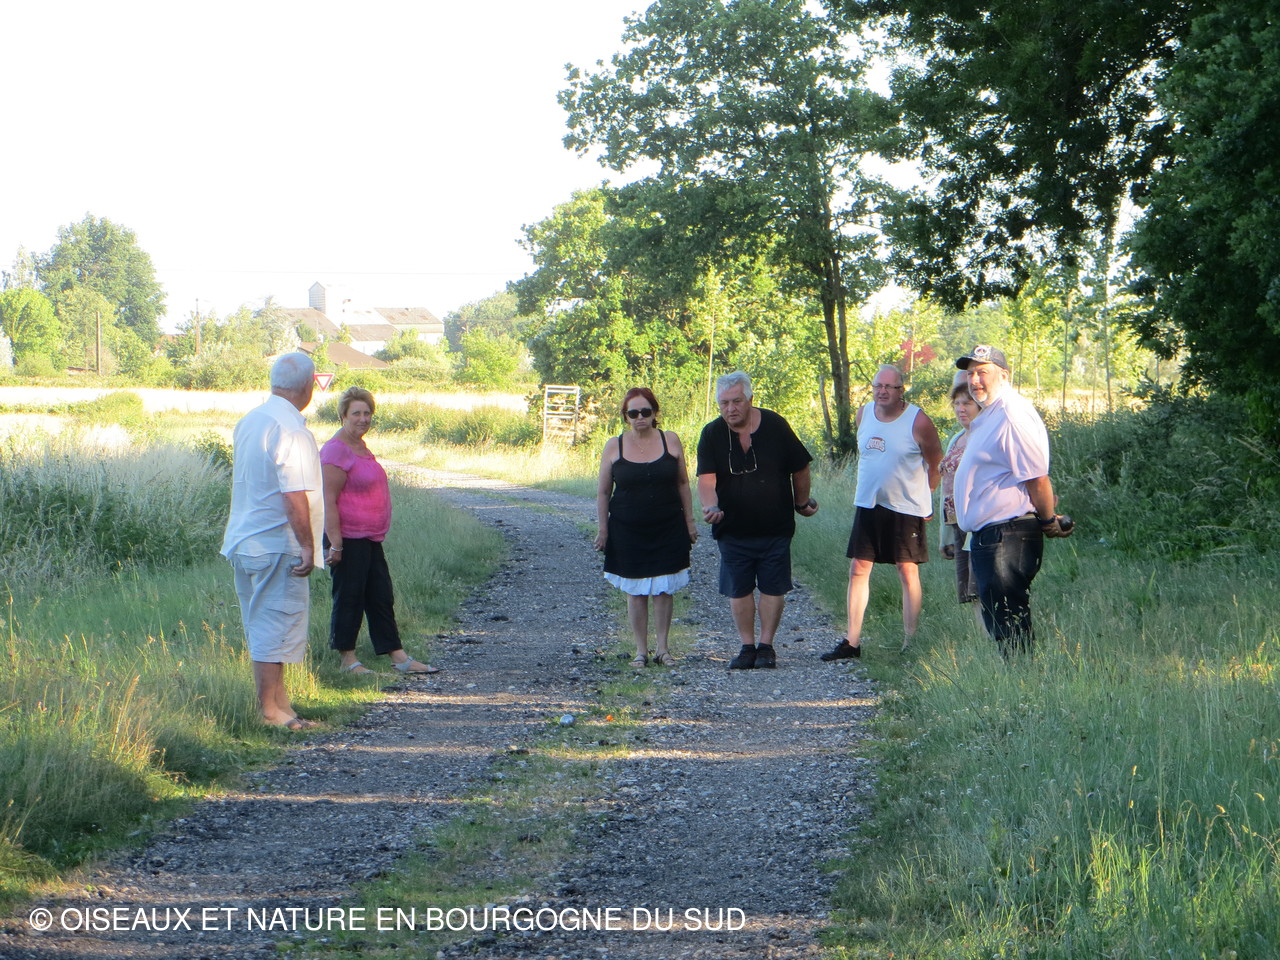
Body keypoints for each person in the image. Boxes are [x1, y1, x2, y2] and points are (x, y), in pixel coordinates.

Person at [220, 352, 325, 731]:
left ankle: (282, 705)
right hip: (276, 542)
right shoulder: (291, 429)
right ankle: (269, 711)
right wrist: (308, 546)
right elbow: (293, 493)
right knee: (274, 625)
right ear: (309, 386)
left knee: (264, 623)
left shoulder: (252, 420)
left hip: (245, 539)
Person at [952, 345, 1073, 654]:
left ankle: (1022, 676)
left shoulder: (1011, 415)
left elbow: (1036, 477)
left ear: (1004, 376)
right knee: (1002, 621)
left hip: (1007, 534)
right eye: (970, 374)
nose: (974, 380)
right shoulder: (992, 414)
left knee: (1009, 623)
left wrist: (1048, 520)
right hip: (993, 535)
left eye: (983, 372)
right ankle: (1017, 674)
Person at [696, 371, 818, 670]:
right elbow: (706, 478)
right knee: (738, 588)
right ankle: (746, 646)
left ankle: (766, 646)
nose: (730, 409)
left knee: (773, 586)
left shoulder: (775, 425)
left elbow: (800, 466)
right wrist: (710, 506)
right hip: (732, 527)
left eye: (737, 401)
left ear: (750, 399)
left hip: (775, 525)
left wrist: (801, 503)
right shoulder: (712, 433)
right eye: (724, 403)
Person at [823, 364, 942, 661]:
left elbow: (936, 463)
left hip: (906, 507)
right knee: (858, 568)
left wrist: (926, 498)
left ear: (901, 391)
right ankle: (852, 642)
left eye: (890, 386)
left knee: (907, 570)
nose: (883, 391)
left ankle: (910, 642)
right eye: (878, 386)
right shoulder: (863, 414)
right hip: (869, 503)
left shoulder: (918, 421)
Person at [321, 386, 441, 676]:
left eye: (367, 413)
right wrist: (335, 544)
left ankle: (399, 657)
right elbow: (327, 500)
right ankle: (347, 661)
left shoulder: (361, 447)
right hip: (347, 538)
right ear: (342, 416)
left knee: (380, 596)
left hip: (369, 537)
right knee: (349, 597)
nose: (363, 419)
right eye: (356, 413)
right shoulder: (336, 450)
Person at [594, 387, 698, 668]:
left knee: (664, 588)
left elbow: (683, 483)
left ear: (655, 413)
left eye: (645, 411)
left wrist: (689, 521)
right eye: (633, 413)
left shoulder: (670, 440)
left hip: (668, 525)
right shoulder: (614, 446)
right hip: (627, 529)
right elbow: (603, 492)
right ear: (625, 416)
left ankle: (663, 649)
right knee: (636, 589)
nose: (640, 417)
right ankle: (640, 651)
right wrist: (603, 530)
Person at [938, 371, 984, 626]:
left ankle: (995, 639)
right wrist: (945, 536)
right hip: (957, 523)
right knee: (969, 590)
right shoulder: (957, 439)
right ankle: (983, 639)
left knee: (982, 585)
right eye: (956, 403)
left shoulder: (984, 436)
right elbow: (946, 490)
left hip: (978, 521)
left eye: (967, 403)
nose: (960, 409)